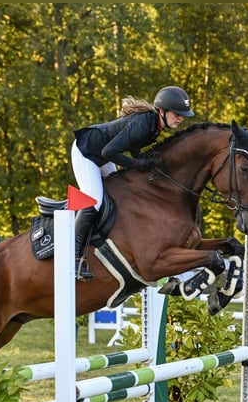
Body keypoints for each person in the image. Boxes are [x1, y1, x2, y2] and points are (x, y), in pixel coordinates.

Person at [70, 85, 195, 280]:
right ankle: (73, 257)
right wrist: (137, 163)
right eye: (177, 113)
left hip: (102, 155)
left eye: (183, 114)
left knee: (119, 196)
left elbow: (134, 148)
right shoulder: (144, 124)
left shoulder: (154, 127)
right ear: (162, 111)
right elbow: (109, 152)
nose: (180, 118)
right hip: (87, 152)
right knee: (95, 201)